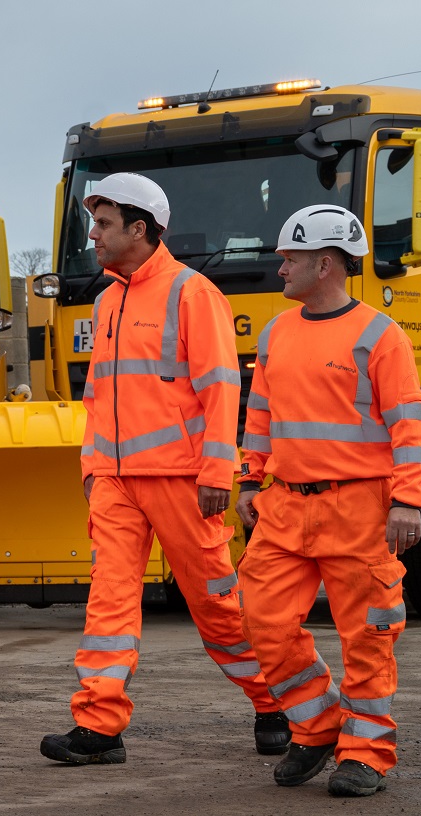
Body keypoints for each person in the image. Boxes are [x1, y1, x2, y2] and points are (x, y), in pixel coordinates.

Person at [40, 173, 289, 765]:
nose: (93, 236)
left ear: (140, 228)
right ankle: (99, 724)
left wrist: (214, 474)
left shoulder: (191, 294)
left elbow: (222, 390)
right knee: (108, 603)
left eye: (103, 225)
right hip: (116, 481)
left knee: (219, 608)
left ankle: (275, 699)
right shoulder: (105, 301)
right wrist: (93, 466)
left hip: (182, 480)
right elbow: (99, 394)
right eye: (93, 223)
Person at [235, 204, 421, 798]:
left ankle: (366, 751)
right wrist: (249, 477)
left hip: (363, 509)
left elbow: (409, 423)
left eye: (289, 258)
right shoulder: (276, 333)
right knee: (259, 618)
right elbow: (260, 416)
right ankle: (316, 728)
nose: (279, 267)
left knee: (367, 634)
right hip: (286, 506)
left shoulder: (379, 336)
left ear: (325, 264)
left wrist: (407, 499)